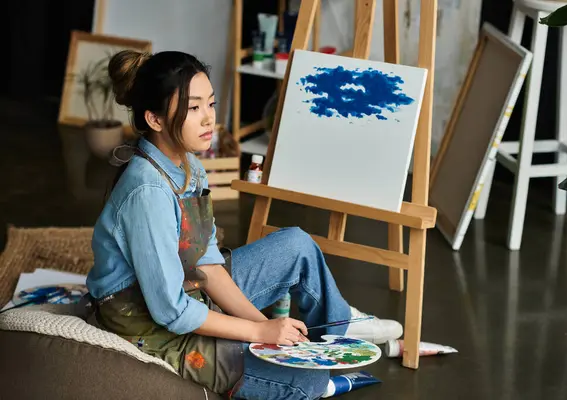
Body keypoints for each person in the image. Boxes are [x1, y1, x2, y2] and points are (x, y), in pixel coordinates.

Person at [86, 49, 403, 400]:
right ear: (155, 120)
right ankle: (320, 376)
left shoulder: (190, 166)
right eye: (193, 108)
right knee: (307, 382)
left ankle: (339, 332)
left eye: (210, 104)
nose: (208, 119)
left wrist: (266, 330)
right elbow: (171, 311)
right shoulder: (147, 192)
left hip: (192, 289)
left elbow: (207, 261)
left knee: (296, 244)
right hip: (150, 321)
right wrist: (259, 331)